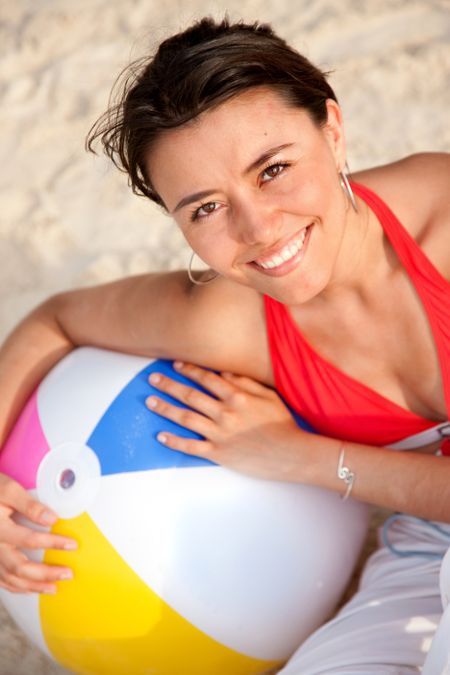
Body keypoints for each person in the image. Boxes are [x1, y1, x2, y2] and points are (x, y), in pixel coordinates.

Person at [0, 16, 449, 673]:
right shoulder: (229, 317)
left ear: (333, 128)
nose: (260, 228)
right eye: (205, 208)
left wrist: (304, 457)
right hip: (425, 540)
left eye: (273, 169)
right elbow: (58, 319)